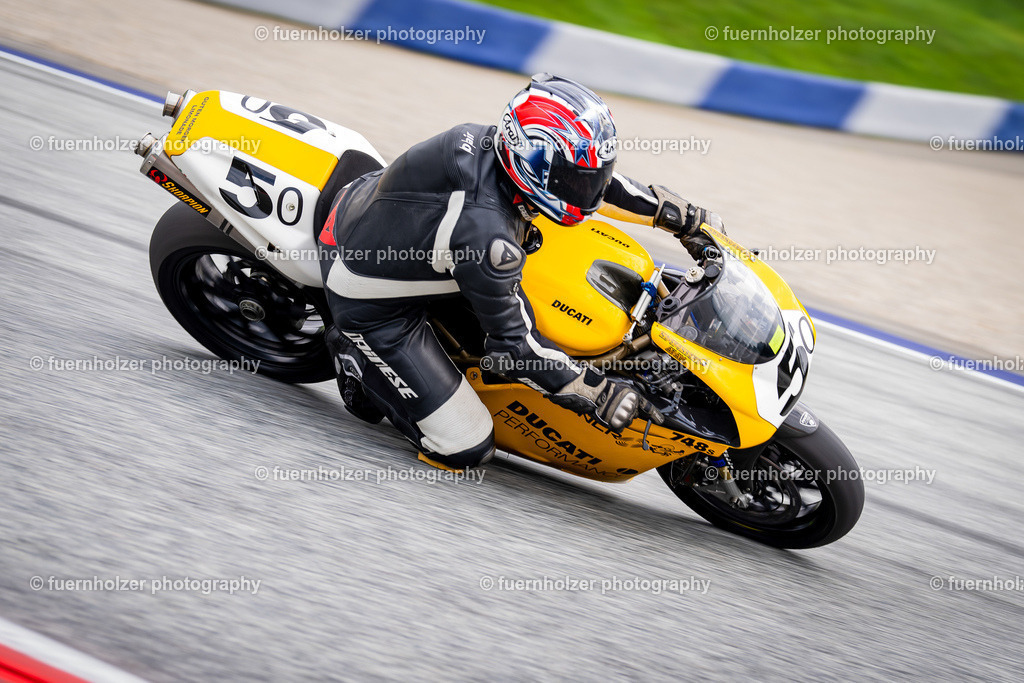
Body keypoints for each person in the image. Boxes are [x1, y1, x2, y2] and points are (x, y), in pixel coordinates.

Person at [317, 73, 716, 470]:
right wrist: (595, 392)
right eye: (577, 181)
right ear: (535, 166)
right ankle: (356, 358)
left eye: (593, 176)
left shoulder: (498, 149)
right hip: (371, 303)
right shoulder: (489, 239)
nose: (590, 189)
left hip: (386, 215)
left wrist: (680, 217)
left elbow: (598, 184)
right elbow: (516, 350)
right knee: (465, 447)